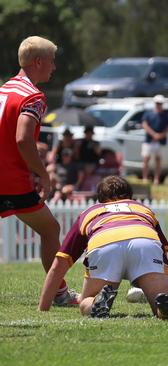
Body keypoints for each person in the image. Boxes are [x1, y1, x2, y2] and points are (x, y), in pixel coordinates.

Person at [38, 175, 168, 322]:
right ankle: (163, 310)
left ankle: (95, 303)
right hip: (144, 241)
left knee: (87, 300)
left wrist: (43, 308)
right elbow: (162, 251)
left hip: (105, 242)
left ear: (100, 200)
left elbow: (59, 264)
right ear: (130, 197)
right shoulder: (142, 209)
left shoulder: (89, 212)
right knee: (161, 300)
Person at [0, 36, 77, 306]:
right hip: (11, 180)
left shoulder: (4, 90)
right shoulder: (33, 96)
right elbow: (22, 138)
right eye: (52, 61)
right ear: (38, 62)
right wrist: (43, 175)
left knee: (49, 228)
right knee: (50, 229)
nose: (54, 67)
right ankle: (59, 294)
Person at [141, 94, 168, 185]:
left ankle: (156, 179)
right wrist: (153, 134)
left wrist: (160, 135)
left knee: (158, 160)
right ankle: (145, 178)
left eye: (160, 103)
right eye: (157, 103)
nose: (159, 105)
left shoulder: (165, 115)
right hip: (149, 140)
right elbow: (144, 124)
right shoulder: (149, 113)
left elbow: (167, 128)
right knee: (146, 159)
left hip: (160, 141)